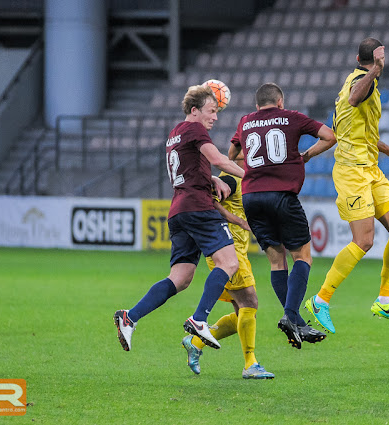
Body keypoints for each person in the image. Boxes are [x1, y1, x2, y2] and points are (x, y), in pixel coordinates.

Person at [114, 84, 245, 352]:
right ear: (195, 111)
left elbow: (186, 167)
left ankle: (129, 317)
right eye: (212, 110)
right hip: (198, 207)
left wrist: (208, 178)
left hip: (179, 210)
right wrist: (255, 176)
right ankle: (199, 319)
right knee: (229, 262)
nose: (216, 117)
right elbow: (219, 159)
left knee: (181, 277)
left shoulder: (175, 133)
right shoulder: (196, 130)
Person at [304, 37, 389, 334]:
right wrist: (375, 71)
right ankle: (320, 300)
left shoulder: (358, 85)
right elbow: (354, 99)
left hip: (371, 169)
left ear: (356, 56)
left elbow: (345, 130)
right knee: (364, 240)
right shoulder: (359, 83)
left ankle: (385, 299)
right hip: (352, 172)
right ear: (378, 60)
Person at [229, 82, 336, 349]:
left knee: (277, 262)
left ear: (257, 105)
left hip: (252, 197)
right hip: (282, 196)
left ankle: (296, 321)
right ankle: (290, 316)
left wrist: (258, 161)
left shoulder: (245, 121)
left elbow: (232, 154)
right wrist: (305, 155)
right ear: (280, 101)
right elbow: (330, 136)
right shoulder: (291, 117)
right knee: (303, 256)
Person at [182, 152, 275, 379]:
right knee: (250, 303)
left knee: (242, 312)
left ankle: (194, 342)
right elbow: (210, 202)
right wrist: (239, 221)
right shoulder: (232, 179)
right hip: (228, 252)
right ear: (238, 158)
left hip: (236, 251)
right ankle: (250, 364)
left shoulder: (244, 180)